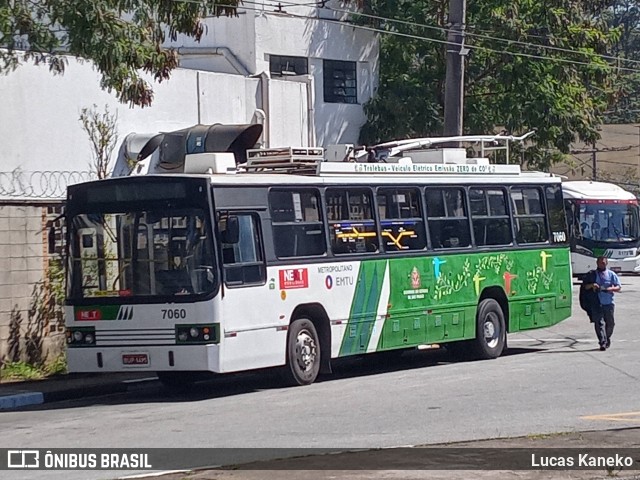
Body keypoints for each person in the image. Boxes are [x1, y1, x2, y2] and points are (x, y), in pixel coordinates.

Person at [582, 256, 621, 351]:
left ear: (606, 263)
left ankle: (607, 338)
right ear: (597, 263)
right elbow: (585, 287)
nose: (601, 264)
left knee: (610, 323)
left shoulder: (611, 274)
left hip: (608, 303)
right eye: (600, 263)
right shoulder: (592, 274)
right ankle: (602, 342)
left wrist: (609, 289)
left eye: (603, 263)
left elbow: (618, 287)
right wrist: (592, 285)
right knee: (599, 323)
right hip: (596, 303)